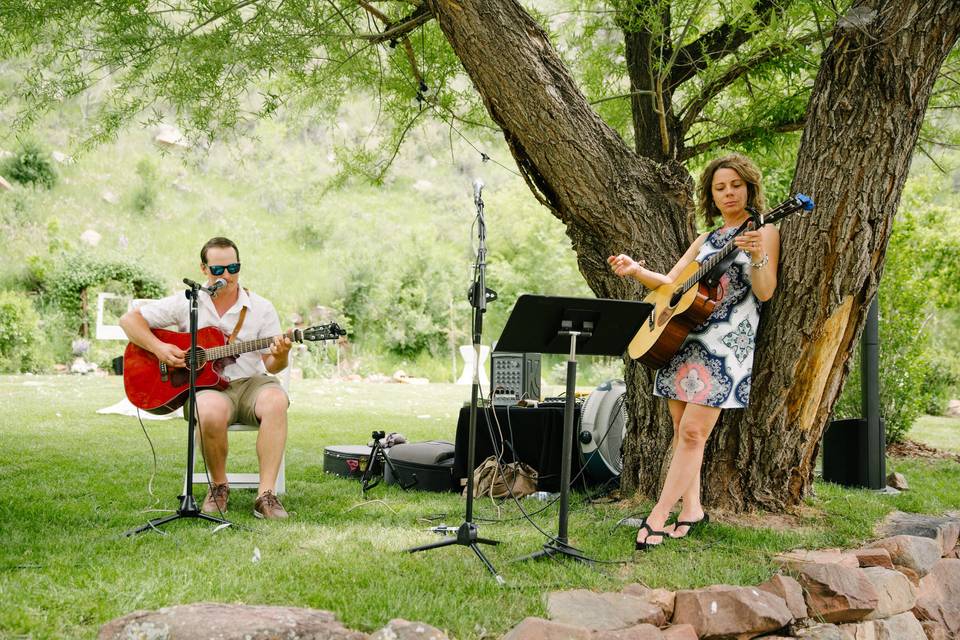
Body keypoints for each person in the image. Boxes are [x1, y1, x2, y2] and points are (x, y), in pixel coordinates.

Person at [607, 153, 780, 550]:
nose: (729, 193)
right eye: (720, 188)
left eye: (735, 185)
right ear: (711, 197)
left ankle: (657, 517)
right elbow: (670, 283)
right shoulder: (706, 240)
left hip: (726, 347)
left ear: (750, 187)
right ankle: (692, 509)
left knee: (693, 432)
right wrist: (635, 270)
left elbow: (765, 291)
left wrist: (756, 255)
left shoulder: (763, 232)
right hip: (681, 340)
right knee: (684, 434)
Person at [120, 237, 293, 519]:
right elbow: (129, 321)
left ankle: (266, 495)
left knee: (276, 400)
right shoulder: (188, 302)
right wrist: (160, 349)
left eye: (234, 267)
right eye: (218, 270)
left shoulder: (261, 308)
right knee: (208, 410)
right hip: (209, 389)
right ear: (204, 269)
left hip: (251, 384)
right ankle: (219, 486)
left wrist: (282, 353)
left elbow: (272, 366)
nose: (227, 275)